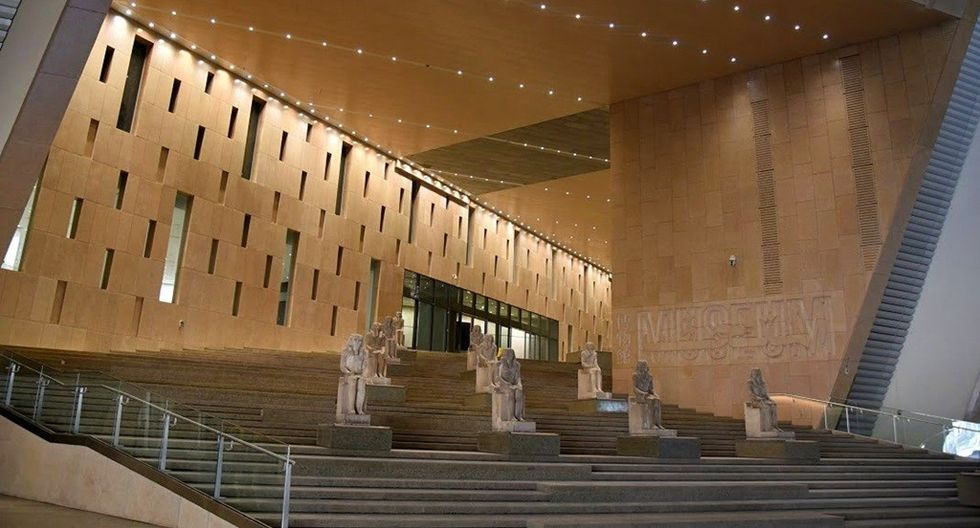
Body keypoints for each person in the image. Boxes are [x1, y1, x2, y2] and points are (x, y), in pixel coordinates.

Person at [337, 334, 368, 417]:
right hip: (348, 374)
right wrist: (349, 372)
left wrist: (363, 374)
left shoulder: (364, 352)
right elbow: (342, 366)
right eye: (355, 340)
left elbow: (365, 366)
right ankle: (351, 408)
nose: (357, 342)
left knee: (362, 384)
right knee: (352, 382)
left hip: (359, 374)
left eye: (359, 341)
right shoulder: (345, 351)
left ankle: (359, 408)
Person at [494, 348, 525, 421]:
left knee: (519, 393)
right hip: (503, 384)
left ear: (513, 355)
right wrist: (507, 384)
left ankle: (518, 416)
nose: (508, 355)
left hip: (513, 384)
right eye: (506, 354)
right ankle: (511, 416)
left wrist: (519, 385)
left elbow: (518, 377)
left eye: (510, 354)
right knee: (511, 393)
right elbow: (498, 377)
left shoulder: (517, 365)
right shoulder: (500, 364)